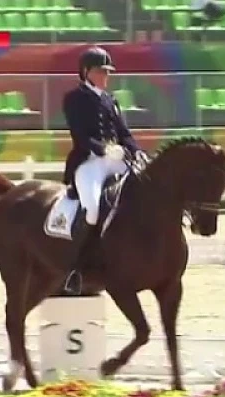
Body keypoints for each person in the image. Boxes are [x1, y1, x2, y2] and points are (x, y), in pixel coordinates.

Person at [61, 45, 144, 295]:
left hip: (117, 159)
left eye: (108, 72)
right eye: (101, 71)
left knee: (146, 189)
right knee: (94, 209)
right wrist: (104, 150)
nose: (106, 76)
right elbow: (80, 135)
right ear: (86, 72)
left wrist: (136, 151)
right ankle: (77, 266)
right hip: (89, 163)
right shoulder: (75, 99)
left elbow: (124, 133)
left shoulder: (111, 100)